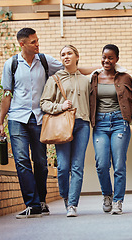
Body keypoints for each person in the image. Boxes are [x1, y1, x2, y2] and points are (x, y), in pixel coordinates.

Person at [0, 28, 95, 219]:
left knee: (41, 162)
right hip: (17, 118)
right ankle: (32, 204)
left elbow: (71, 70)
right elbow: (6, 94)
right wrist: (1, 121)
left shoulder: (44, 61)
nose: (37, 44)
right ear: (22, 44)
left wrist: (102, 70)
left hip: (40, 118)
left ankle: (41, 201)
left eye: (37, 40)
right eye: (33, 42)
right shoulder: (11, 64)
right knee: (21, 160)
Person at [40, 45, 90, 217]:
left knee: (77, 166)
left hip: (82, 124)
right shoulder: (54, 79)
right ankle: (66, 196)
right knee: (62, 167)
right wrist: (60, 106)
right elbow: (44, 103)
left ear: (77, 56)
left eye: (69, 53)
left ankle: (73, 205)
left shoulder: (86, 80)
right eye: (63, 54)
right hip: (62, 125)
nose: (66, 56)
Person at [89, 44, 132, 215]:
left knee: (119, 164)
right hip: (100, 123)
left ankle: (118, 201)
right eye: (104, 57)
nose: (106, 60)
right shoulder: (94, 77)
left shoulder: (125, 78)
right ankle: (107, 195)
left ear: (117, 59)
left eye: (110, 57)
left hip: (119, 122)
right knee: (101, 164)